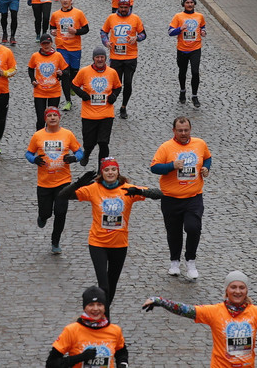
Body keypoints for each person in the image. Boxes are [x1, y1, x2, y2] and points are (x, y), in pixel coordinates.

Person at [57, 161, 161, 317]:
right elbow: (63, 195)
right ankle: (106, 319)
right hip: (98, 243)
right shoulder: (93, 189)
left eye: (114, 169)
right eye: (107, 170)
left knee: (112, 285)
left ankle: (103, 314)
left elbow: (160, 194)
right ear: (102, 172)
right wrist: (78, 183)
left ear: (118, 172)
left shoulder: (127, 189)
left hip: (119, 245)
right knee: (104, 285)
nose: (110, 172)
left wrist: (140, 191)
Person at [142, 270, 257, 368]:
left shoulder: (256, 313)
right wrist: (159, 300)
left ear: (247, 291)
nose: (237, 291)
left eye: (242, 288)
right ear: (226, 290)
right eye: (233, 287)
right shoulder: (215, 312)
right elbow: (185, 310)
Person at [150, 116, 211, 279]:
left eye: (186, 130)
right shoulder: (166, 147)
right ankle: (174, 262)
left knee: (193, 228)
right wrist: (172, 166)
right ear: (174, 131)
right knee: (174, 232)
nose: (183, 133)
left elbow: (207, 157)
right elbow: (154, 168)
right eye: (180, 130)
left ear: (190, 130)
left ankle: (190, 260)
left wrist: (206, 168)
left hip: (193, 197)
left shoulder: (200, 143)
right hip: (171, 198)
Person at [25, 105, 81, 254]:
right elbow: (28, 154)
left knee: (61, 212)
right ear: (45, 119)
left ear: (59, 118)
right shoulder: (38, 136)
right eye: (49, 116)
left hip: (63, 181)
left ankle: (55, 241)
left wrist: (73, 158)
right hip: (44, 182)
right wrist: (34, 160)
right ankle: (42, 217)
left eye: (55, 115)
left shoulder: (67, 134)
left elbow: (80, 152)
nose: (52, 118)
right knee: (46, 213)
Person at [46, 286, 130, 368]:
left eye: (99, 304)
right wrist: (81, 357)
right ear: (84, 308)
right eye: (91, 305)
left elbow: (121, 351)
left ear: (105, 308)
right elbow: (51, 363)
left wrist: (123, 363)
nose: (95, 309)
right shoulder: (71, 331)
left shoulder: (115, 330)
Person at [70, 48, 122, 166]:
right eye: (97, 57)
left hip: (106, 114)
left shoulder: (112, 72)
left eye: (102, 57)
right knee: (89, 142)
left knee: (103, 143)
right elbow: (74, 85)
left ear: (105, 58)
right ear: (93, 58)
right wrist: (82, 94)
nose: (100, 59)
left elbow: (118, 87)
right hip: (89, 114)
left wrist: (114, 96)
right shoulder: (84, 71)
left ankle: (102, 169)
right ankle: (87, 153)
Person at [101, 0, 145, 119]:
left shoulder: (135, 18)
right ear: (118, 7)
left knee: (128, 82)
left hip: (131, 56)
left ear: (129, 7)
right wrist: (106, 42)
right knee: (115, 83)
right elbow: (103, 32)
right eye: (122, 7)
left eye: (126, 7)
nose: (124, 10)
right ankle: (109, 104)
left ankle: (124, 107)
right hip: (115, 56)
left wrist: (136, 38)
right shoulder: (111, 18)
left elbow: (143, 34)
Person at [50, 0, 89, 112]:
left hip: (75, 48)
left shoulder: (78, 13)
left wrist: (76, 31)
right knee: (65, 73)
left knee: (74, 72)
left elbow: (86, 29)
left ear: (71, 0)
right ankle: (68, 101)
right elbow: (52, 27)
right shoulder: (56, 15)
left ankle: (72, 85)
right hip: (62, 48)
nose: (65, 1)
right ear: (60, 0)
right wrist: (52, 32)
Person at [169, 0, 206, 106]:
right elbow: (170, 32)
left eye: (191, 2)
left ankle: (194, 96)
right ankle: (182, 91)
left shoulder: (199, 16)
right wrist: (180, 29)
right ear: (183, 4)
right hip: (182, 49)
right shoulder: (178, 16)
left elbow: (202, 26)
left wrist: (204, 32)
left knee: (195, 72)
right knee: (182, 71)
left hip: (195, 48)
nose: (190, 5)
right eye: (187, 3)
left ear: (194, 4)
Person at [29, 34, 69, 129]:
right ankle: (39, 137)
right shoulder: (35, 56)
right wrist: (33, 80)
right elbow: (30, 69)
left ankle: (49, 137)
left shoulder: (58, 55)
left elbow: (67, 71)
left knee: (51, 119)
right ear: (41, 45)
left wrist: (62, 72)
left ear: (51, 43)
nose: (46, 46)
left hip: (54, 92)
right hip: (39, 92)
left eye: (48, 43)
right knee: (41, 119)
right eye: (44, 44)